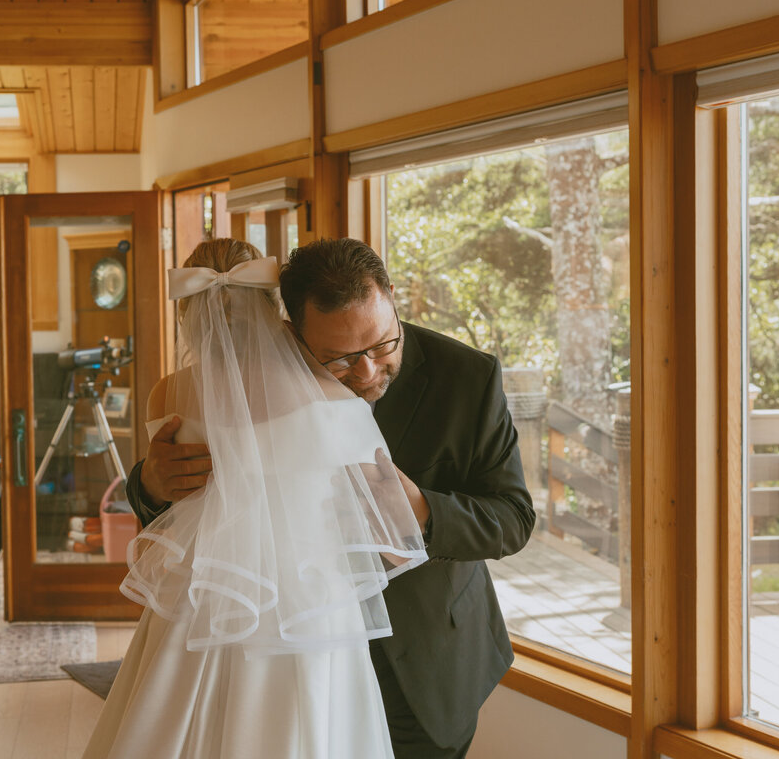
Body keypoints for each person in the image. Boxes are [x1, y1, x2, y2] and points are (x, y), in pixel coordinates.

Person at [126, 238, 537, 758]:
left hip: (426, 660)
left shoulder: (469, 379)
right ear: (289, 331)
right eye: (338, 358)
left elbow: (514, 517)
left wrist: (423, 513)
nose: (366, 373)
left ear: (390, 295)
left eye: (383, 344)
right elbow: (195, 506)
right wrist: (148, 484)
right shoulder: (260, 382)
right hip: (270, 647)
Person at [83, 239, 428, 759]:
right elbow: (389, 538)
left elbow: (177, 496)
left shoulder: (170, 394)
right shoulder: (335, 400)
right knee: (304, 723)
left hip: (201, 588)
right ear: (276, 308)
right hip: (309, 599)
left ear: (186, 315)